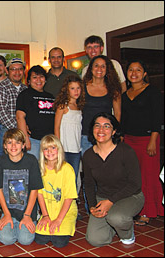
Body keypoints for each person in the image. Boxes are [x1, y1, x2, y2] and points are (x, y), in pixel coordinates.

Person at [83, 112, 144, 246]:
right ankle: (113, 226)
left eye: (107, 126)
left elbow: (135, 184)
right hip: (103, 197)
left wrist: (110, 202)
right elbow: (88, 183)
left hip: (129, 196)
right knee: (95, 240)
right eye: (97, 126)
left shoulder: (126, 151)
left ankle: (127, 233)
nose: (101, 130)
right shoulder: (88, 155)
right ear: (92, 129)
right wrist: (93, 206)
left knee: (117, 218)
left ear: (114, 131)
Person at [121, 60, 164, 226]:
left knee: (148, 176)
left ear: (145, 73)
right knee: (133, 177)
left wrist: (153, 140)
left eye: (138, 70)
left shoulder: (152, 92)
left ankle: (148, 211)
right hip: (129, 140)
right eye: (131, 70)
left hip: (148, 140)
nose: (134, 73)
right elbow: (124, 120)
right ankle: (135, 208)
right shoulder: (126, 95)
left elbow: (157, 118)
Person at [0, 128, 43, 246]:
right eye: (9, 142)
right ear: (5, 146)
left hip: (27, 210)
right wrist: (6, 214)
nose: (13, 146)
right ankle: (10, 220)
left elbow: (34, 190)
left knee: (25, 240)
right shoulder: (1, 161)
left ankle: (34, 218)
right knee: (6, 240)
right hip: (9, 210)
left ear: (23, 145)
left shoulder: (31, 160)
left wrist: (27, 215)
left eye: (17, 142)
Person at [35, 135, 78, 248]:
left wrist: (58, 220)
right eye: (46, 149)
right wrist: (45, 216)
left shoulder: (67, 169)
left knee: (59, 243)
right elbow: (39, 194)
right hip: (48, 211)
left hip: (65, 211)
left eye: (53, 148)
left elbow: (69, 197)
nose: (49, 151)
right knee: (40, 239)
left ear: (59, 149)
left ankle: (68, 224)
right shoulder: (40, 169)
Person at [81, 55, 122, 156]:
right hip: (85, 135)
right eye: (96, 66)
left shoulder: (113, 89)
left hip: (105, 135)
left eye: (103, 66)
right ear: (90, 68)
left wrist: (114, 133)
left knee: (106, 167)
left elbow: (117, 113)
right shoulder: (82, 87)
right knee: (89, 168)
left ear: (107, 69)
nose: (99, 69)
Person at [16, 65, 55, 159]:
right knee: (33, 170)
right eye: (34, 77)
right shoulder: (24, 95)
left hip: (49, 141)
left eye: (41, 76)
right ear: (28, 81)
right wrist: (25, 138)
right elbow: (19, 117)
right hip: (33, 141)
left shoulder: (51, 96)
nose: (38, 80)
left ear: (45, 80)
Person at [53, 74, 85, 188]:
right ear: (66, 90)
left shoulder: (79, 106)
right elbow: (56, 127)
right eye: (72, 88)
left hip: (76, 149)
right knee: (62, 178)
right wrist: (58, 147)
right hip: (64, 148)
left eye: (78, 88)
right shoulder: (63, 106)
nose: (76, 91)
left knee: (74, 177)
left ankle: (72, 202)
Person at [0, 58, 28, 156]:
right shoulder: (1, 87)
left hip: (23, 132)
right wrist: (20, 128)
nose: (17, 72)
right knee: (6, 163)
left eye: (20, 69)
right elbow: (1, 113)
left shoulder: (26, 89)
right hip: (5, 130)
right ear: (7, 71)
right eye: (13, 69)